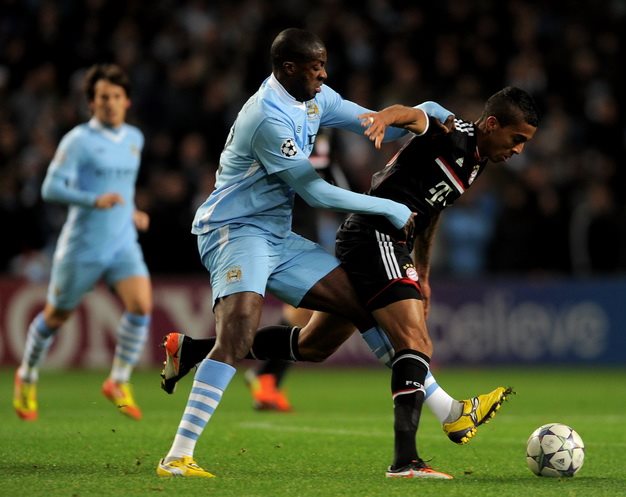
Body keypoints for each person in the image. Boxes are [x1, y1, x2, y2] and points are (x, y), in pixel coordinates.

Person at [160, 86, 538, 478]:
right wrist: (385, 118)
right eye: (517, 139)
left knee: (315, 344)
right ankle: (411, 455)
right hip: (369, 236)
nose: (519, 150)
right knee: (414, 341)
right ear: (491, 124)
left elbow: (433, 209)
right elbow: (410, 116)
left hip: (354, 237)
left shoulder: (475, 159)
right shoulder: (451, 134)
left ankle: (192, 350)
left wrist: (423, 273)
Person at [156, 27, 455, 479]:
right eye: (315, 67)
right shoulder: (266, 117)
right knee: (237, 333)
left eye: (324, 65)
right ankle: (178, 456)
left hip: (278, 236)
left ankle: (444, 409)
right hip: (234, 231)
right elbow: (315, 192)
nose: (324, 73)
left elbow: (376, 122)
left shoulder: (315, 98)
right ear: (288, 68)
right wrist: (388, 207)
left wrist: (426, 113)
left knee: (364, 304)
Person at [13, 64, 152, 422]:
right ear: (91, 102)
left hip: (122, 241)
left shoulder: (135, 138)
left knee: (141, 305)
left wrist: (133, 211)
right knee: (56, 316)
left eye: (116, 96)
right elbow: (50, 188)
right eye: (103, 97)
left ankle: (117, 380)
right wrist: (93, 200)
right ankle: (27, 375)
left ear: (127, 101)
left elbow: (123, 188)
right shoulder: (78, 140)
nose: (110, 103)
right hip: (83, 245)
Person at [243, 131, 347, 412]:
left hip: (304, 227)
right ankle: (263, 374)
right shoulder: (284, 126)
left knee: (301, 313)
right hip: (282, 226)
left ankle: (266, 377)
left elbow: (329, 172)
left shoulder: (325, 131)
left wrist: (352, 213)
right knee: (302, 310)